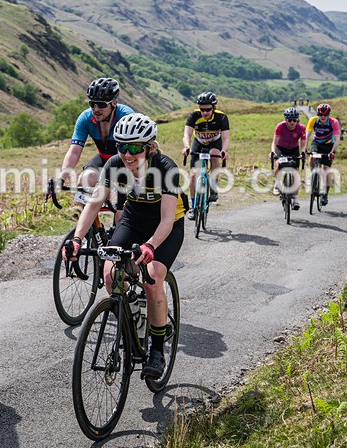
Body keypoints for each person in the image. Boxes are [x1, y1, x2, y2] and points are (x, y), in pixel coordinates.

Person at [63, 113, 185, 379]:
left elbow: (166, 219)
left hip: (166, 224)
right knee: (110, 273)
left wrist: (151, 246)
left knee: (153, 279)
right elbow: (95, 202)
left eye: (134, 148)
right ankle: (132, 311)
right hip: (134, 217)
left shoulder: (166, 167)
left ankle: (156, 349)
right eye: (122, 147)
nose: (127, 154)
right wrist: (77, 239)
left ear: (150, 147)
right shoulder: (116, 165)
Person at [57, 77, 134, 217]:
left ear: (114, 104)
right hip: (103, 157)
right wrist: (62, 177)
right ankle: (92, 228)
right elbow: (74, 151)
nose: (96, 109)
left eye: (101, 105)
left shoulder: (126, 117)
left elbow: (132, 156)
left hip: (126, 162)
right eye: (92, 104)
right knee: (85, 181)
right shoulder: (86, 118)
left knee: (120, 214)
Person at [181, 92, 230, 219]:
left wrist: (224, 150)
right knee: (193, 175)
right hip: (199, 142)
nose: (205, 112)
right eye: (202, 109)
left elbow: (225, 138)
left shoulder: (221, 117)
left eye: (208, 109)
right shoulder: (194, 115)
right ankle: (193, 207)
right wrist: (187, 147)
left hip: (215, 142)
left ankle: (213, 187)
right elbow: (187, 134)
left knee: (215, 154)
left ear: (214, 107)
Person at [270, 107, 306, 210]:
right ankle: (277, 184)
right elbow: (274, 142)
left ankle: (295, 199)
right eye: (289, 120)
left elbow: (303, 144)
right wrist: (273, 152)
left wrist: (303, 153)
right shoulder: (280, 126)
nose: (292, 122)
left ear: (297, 120)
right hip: (281, 149)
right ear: (286, 120)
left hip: (294, 149)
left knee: (295, 174)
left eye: (294, 120)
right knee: (278, 165)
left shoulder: (301, 128)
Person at [305, 103, 341, 206]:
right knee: (313, 156)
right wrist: (304, 149)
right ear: (318, 114)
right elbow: (307, 135)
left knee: (326, 169)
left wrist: (332, 152)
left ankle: (325, 194)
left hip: (329, 145)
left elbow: (337, 138)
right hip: (316, 143)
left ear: (328, 115)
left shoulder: (334, 122)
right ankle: (312, 175)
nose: (323, 117)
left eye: (325, 115)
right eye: (321, 115)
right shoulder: (313, 120)